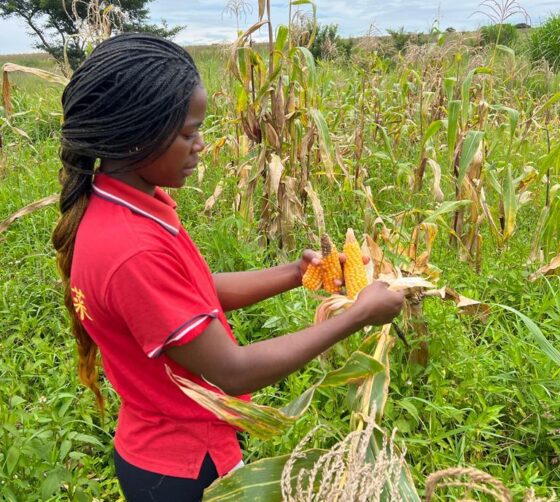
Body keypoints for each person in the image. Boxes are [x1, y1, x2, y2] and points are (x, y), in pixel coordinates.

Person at [51, 33, 404, 502]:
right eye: (188, 133)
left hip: (159, 442)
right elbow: (232, 372)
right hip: (182, 466)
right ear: (137, 135)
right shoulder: (133, 250)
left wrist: (295, 274)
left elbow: (191, 292)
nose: (201, 145)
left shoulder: (124, 205)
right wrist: (358, 314)